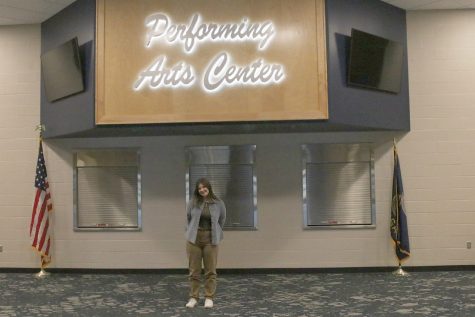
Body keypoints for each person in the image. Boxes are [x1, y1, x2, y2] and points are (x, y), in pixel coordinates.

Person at [184, 178, 226, 308]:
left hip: (211, 240)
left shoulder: (218, 202)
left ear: (209, 187)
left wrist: (215, 232)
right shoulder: (193, 202)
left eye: (204, 187)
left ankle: (209, 297)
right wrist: (192, 231)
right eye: (199, 188)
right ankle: (194, 297)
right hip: (194, 240)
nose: (202, 190)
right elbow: (188, 218)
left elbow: (222, 219)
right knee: (194, 271)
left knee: (210, 271)